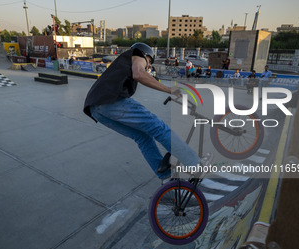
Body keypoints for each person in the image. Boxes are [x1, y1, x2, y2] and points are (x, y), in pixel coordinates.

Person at [83, 43, 212, 181]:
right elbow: (139, 73)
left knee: (142, 138)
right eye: (149, 62)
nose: (148, 66)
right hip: (111, 101)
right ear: (146, 55)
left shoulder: (123, 62)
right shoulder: (137, 56)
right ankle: (195, 165)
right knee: (158, 127)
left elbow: (142, 75)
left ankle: (166, 178)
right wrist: (169, 89)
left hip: (96, 108)